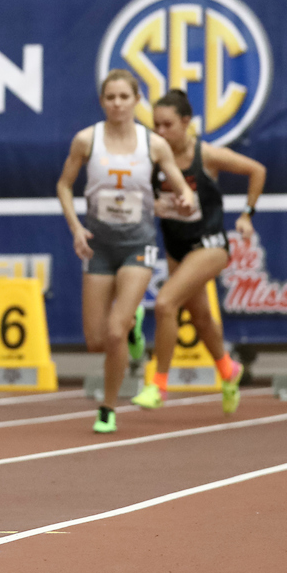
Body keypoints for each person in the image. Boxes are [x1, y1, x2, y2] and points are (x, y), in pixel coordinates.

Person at [56, 70, 194, 434]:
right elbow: (64, 185)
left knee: (114, 331)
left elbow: (181, 187)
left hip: (139, 244)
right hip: (98, 245)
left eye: (123, 97)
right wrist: (75, 227)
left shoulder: (154, 145)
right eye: (110, 97)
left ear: (136, 101)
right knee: (96, 340)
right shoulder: (87, 140)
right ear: (102, 102)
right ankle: (134, 332)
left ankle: (107, 407)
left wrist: (185, 198)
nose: (117, 103)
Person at [131, 89, 266, 415]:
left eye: (167, 125)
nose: (160, 132)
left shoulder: (205, 155)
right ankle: (228, 370)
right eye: (156, 126)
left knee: (165, 303)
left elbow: (256, 171)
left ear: (186, 122)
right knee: (202, 317)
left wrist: (247, 213)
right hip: (176, 248)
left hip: (210, 246)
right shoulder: (152, 160)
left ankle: (158, 385)